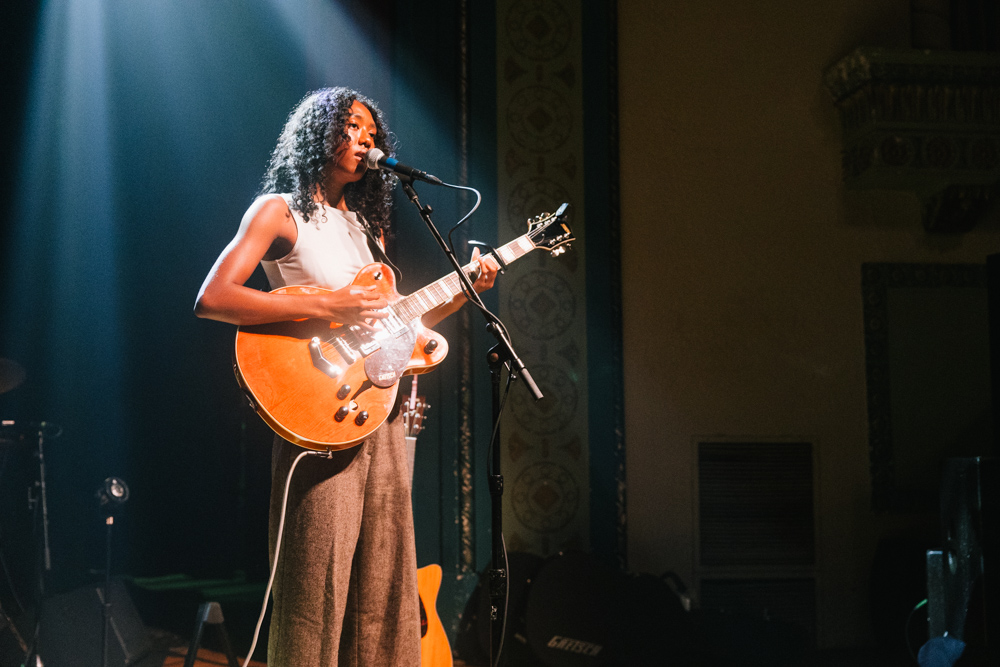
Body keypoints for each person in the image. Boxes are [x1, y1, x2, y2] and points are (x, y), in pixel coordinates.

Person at [194, 87, 498, 666]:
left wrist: (465, 290)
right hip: (316, 407)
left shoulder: (366, 228)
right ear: (318, 133)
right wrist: (331, 306)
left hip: (375, 406)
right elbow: (214, 297)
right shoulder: (278, 211)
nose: (367, 142)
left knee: (385, 576)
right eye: (353, 128)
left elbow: (394, 323)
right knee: (317, 579)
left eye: (372, 133)